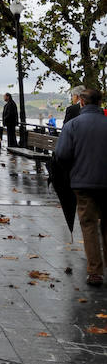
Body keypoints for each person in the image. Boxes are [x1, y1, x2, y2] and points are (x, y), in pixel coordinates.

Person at [55, 87, 107, 288]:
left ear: (82, 103)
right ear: (100, 103)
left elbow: (62, 155)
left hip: (83, 183)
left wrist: (74, 170)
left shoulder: (73, 125)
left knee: (89, 224)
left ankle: (95, 272)